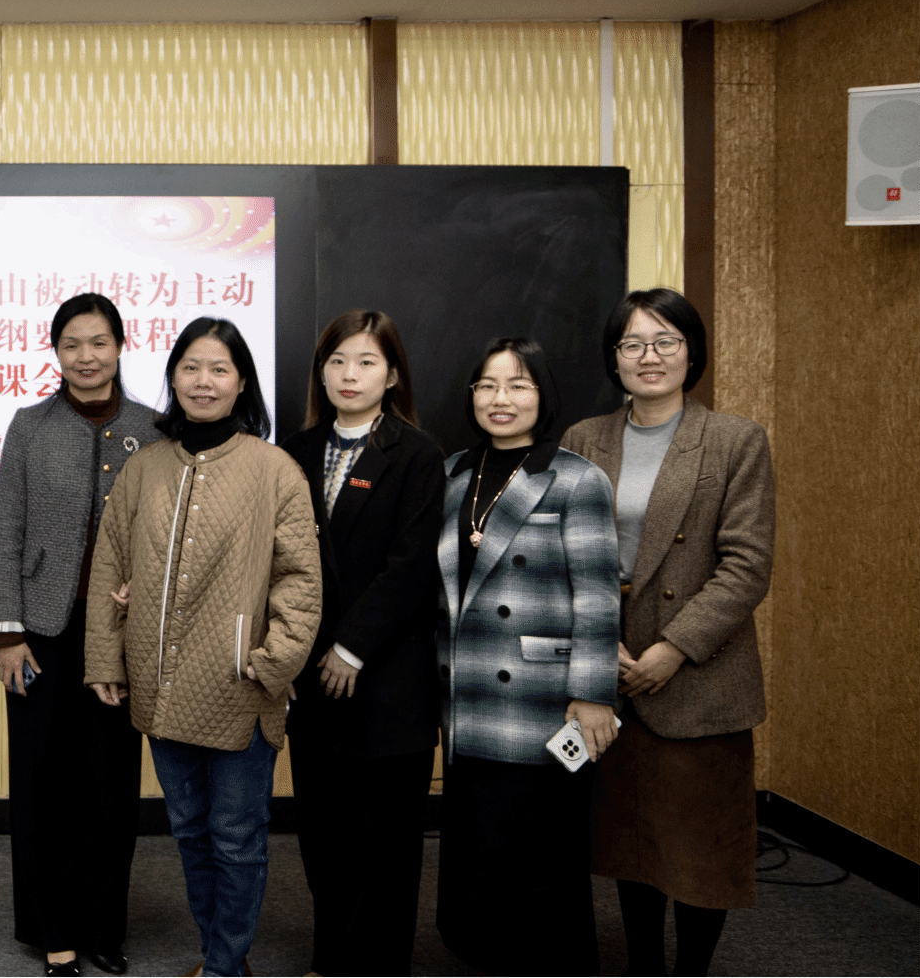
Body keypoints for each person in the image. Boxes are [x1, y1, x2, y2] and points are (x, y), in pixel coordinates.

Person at [85, 317, 321, 978]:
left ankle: (222, 966)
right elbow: (110, 564)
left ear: (242, 381)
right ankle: (221, 957)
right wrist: (105, 657)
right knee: (189, 832)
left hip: (240, 687)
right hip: (160, 684)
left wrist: (271, 663)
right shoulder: (145, 466)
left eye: (219, 369)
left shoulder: (274, 470)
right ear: (173, 377)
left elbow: (300, 579)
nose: (203, 381)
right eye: (190, 367)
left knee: (237, 838)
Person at [561, 290, 774, 978]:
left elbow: (747, 564)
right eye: (632, 343)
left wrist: (674, 648)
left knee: (703, 848)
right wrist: (601, 646)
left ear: (691, 352)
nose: (648, 356)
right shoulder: (583, 440)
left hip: (700, 670)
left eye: (665, 341)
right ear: (614, 358)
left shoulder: (736, 440)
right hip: (611, 659)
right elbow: (562, 552)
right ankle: (645, 967)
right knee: (634, 841)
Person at [0, 293, 162, 978]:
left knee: (111, 784)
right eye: (71, 345)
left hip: (121, 632)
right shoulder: (30, 425)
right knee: (41, 781)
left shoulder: (153, 429)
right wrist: (6, 633)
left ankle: (104, 928)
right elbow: (6, 529)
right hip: (41, 632)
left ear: (120, 345)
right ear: (56, 352)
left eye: (99, 343)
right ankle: (53, 929)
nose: (86, 357)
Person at [434, 337, 620, 978]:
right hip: (468, 698)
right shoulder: (453, 473)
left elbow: (598, 597)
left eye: (518, 385)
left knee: (540, 856)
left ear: (543, 395)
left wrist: (592, 695)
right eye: (487, 385)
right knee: (478, 852)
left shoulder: (576, 477)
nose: (501, 399)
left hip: (542, 703)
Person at [278, 310, 445, 978]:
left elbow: (411, 567)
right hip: (310, 678)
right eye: (338, 360)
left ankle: (377, 967)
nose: (351, 374)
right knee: (325, 836)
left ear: (393, 374)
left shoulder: (417, 454)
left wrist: (351, 647)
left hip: (389, 679)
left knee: (387, 843)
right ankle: (330, 959)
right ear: (321, 371)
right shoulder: (294, 451)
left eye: (367, 362)